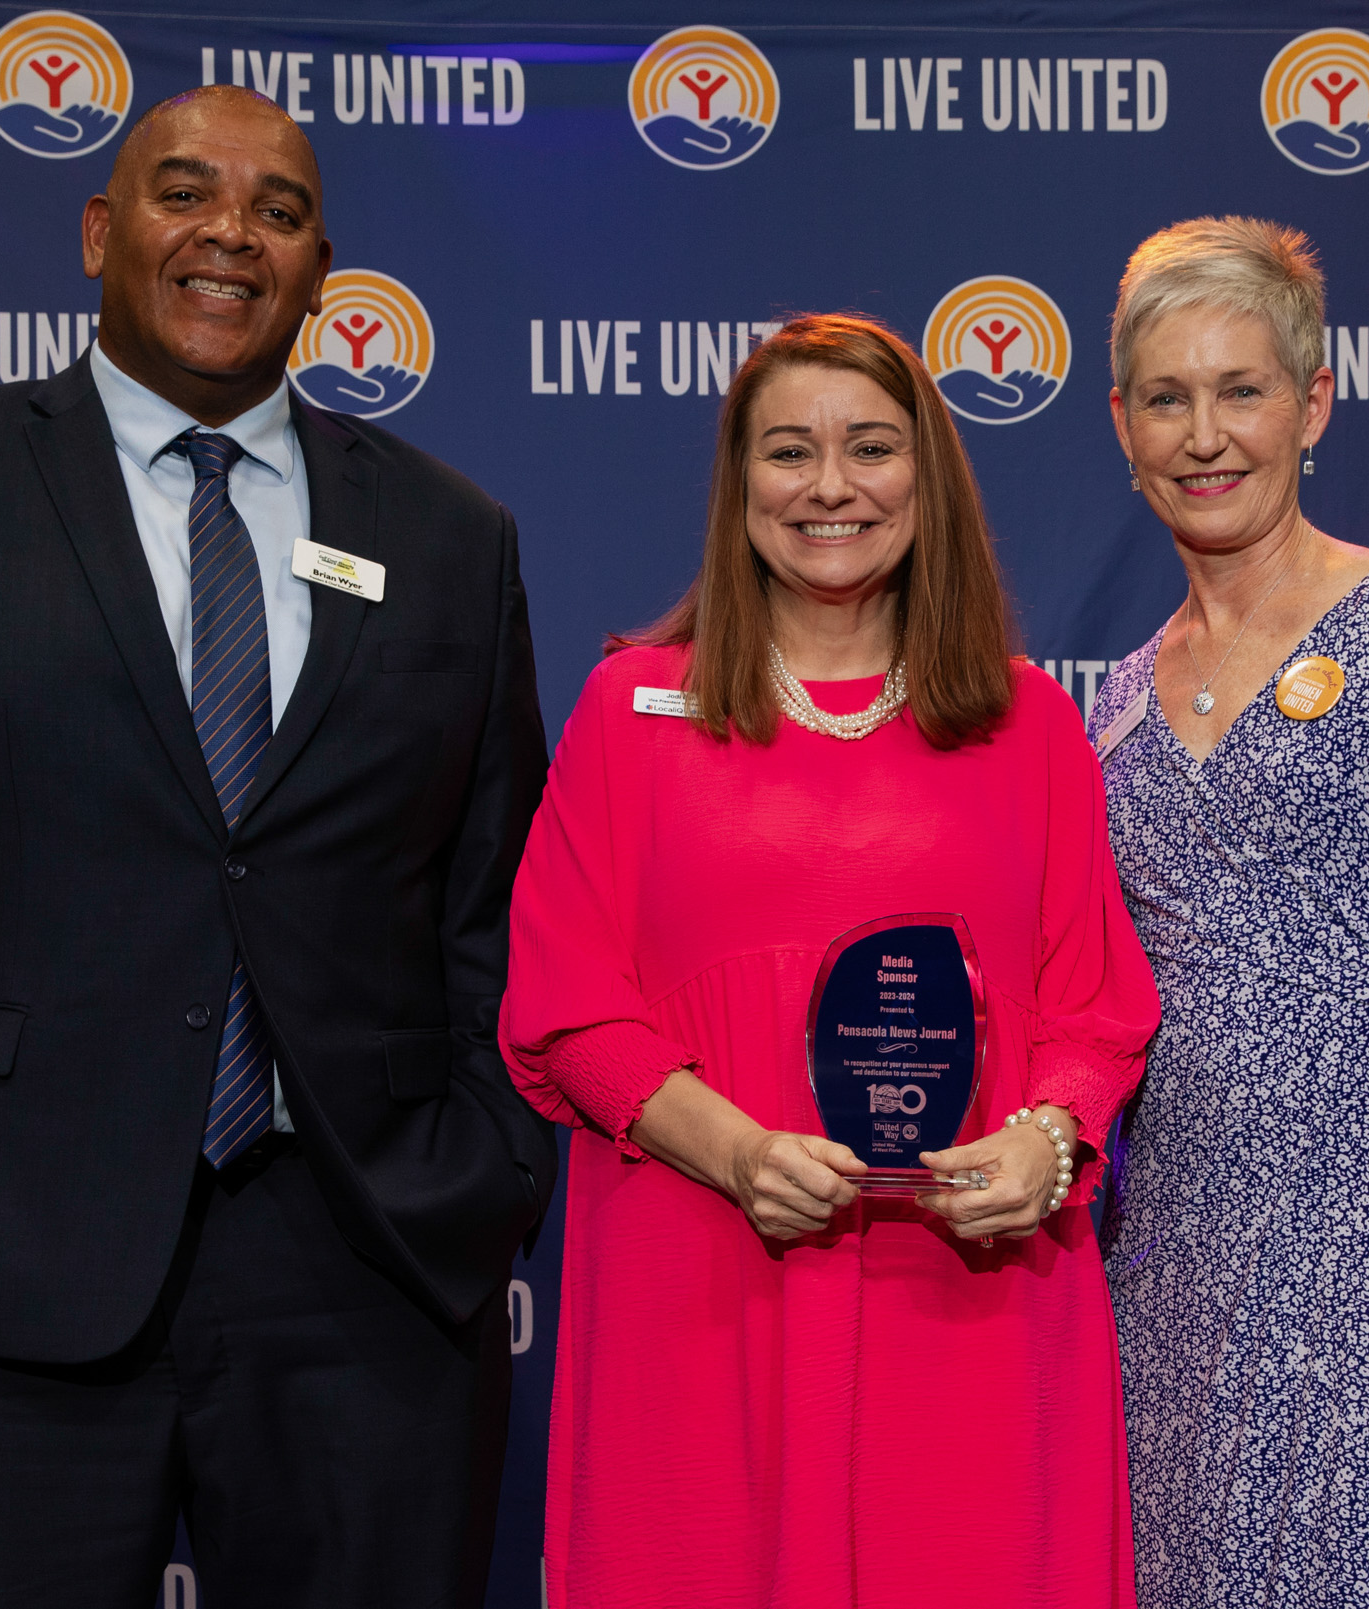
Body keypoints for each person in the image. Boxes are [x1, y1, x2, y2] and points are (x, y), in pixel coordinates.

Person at [0, 85, 556, 1606]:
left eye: (280, 212)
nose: (231, 233)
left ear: (321, 270)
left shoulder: (450, 535)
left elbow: (488, 900)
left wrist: (483, 1174)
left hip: (364, 1274)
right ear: (103, 233)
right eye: (186, 194)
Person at [499, 314, 1161, 1607]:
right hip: (700, 1293)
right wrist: (738, 1155)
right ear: (738, 484)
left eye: (870, 447)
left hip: (969, 1302)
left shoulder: (1027, 723)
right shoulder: (631, 716)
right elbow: (566, 1005)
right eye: (789, 450)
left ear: (928, 476)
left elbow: (1095, 1011)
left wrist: (1047, 1142)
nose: (830, 486)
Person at [1088, 216, 1369, 1607]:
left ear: (1315, 403)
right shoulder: (1109, 699)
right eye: (1168, 397)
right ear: (1121, 422)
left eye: (1243, 390)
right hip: (1171, 1287)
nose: (1205, 434)